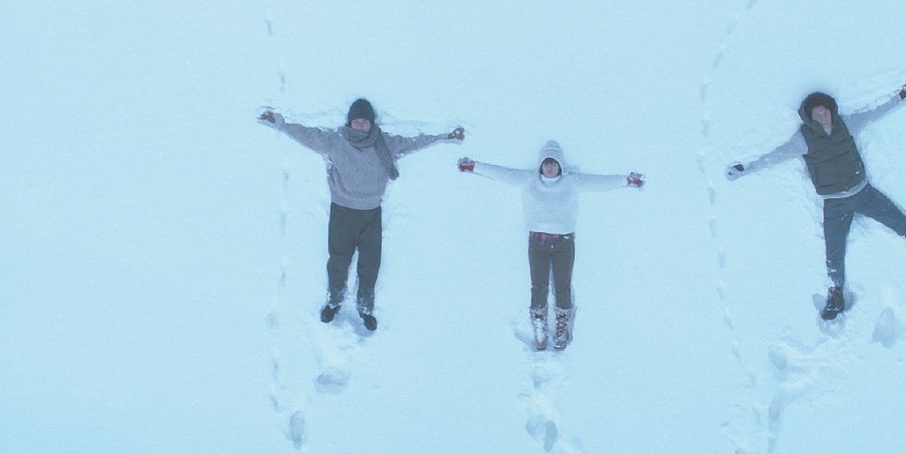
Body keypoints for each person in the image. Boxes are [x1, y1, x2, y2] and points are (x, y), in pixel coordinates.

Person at [725, 81, 906, 321]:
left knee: (898, 221)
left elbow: (875, 112)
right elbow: (776, 155)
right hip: (835, 203)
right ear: (810, 117)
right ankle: (836, 294)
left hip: (864, 193)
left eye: (825, 111)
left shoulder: (846, 123)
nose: (822, 116)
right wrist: (746, 168)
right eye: (817, 114)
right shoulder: (803, 140)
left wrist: (902, 96)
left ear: (831, 110)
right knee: (834, 250)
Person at [259, 98, 464, 331]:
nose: (360, 126)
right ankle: (334, 301)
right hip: (342, 213)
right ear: (349, 122)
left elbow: (414, 142)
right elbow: (306, 135)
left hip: (371, 214)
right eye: (356, 121)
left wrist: (446, 136)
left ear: (371, 124)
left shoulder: (384, 143)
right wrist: (279, 122)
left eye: (364, 122)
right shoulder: (335, 141)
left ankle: (365, 308)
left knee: (369, 264)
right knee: (338, 261)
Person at [457, 141, 644, 350]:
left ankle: (562, 327)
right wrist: (474, 167)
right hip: (538, 243)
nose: (549, 167)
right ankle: (539, 325)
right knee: (539, 287)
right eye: (546, 163)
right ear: (540, 165)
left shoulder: (571, 182)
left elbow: (599, 183)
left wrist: (627, 180)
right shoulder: (529, 180)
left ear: (560, 165)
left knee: (562, 287)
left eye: (553, 163)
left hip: (564, 242)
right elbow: (502, 174)